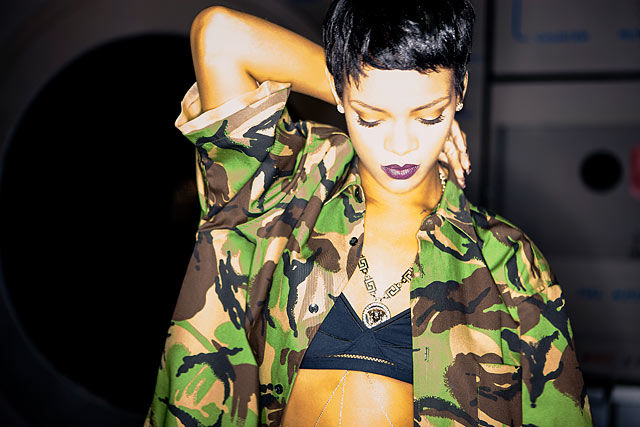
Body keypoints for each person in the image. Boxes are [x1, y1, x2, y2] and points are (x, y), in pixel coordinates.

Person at [144, 1, 593, 426]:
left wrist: (382, 97)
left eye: (429, 117)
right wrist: (359, 82)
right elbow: (218, 34)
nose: (401, 146)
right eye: (371, 118)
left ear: (461, 91)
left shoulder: (506, 260)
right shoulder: (284, 189)